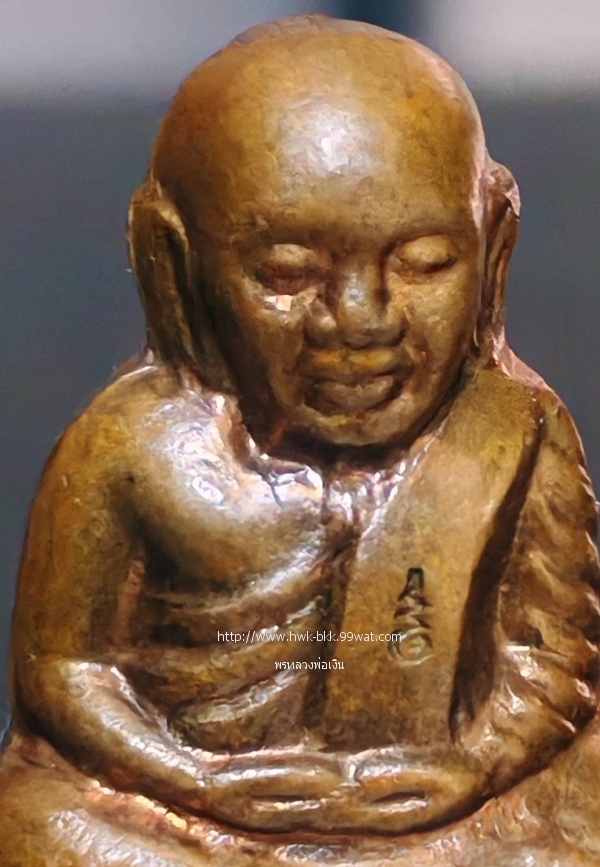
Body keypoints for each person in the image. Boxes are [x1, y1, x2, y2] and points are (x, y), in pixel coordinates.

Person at [1, 15, 599, 867]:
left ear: (494, 243)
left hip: (444, 814)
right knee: (34, 822)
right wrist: (195, 779)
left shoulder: (517, 434)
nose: (360, 319)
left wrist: (473, 766)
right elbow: (64, 670)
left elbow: (549, 662)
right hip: (186, 814)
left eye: (426, 261)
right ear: (173, 262)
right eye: (286, 274)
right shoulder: (128, 450)